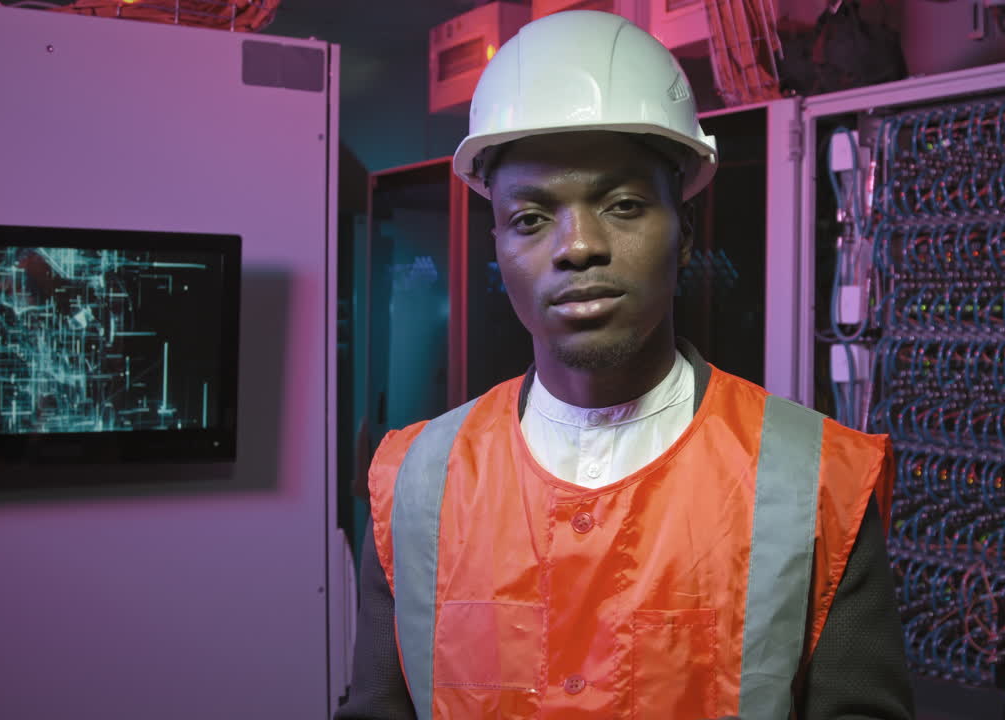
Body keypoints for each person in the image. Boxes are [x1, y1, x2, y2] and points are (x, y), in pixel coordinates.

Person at [336, 10, 914, 720]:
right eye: (531, 218)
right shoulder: (415, 484)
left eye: (624, 204)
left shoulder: (818, 481)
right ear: (498, 251)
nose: (578, 246)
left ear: (686, 234)